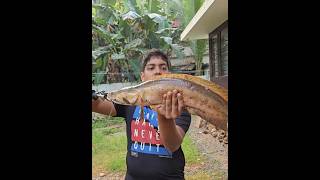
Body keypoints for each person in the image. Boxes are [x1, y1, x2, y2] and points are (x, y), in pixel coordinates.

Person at [92, 49, 191, 180]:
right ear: (142, 76)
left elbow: (173, 145)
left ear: (169, 75)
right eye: (151, 68)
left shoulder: (180, 108)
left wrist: (163, 115)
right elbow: (97, 105)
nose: (157, 71)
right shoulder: (131, 102)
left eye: (163, 67)